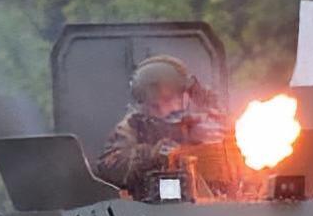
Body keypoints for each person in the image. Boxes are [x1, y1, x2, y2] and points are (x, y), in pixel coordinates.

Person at [95, 54, 226, 196]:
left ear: (185, 95)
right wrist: (155, 155)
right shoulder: (132, 125)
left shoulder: (207, 113)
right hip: (157, 205)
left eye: (169, 100)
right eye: (155, 106)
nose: (164, 110)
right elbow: (111, 168)